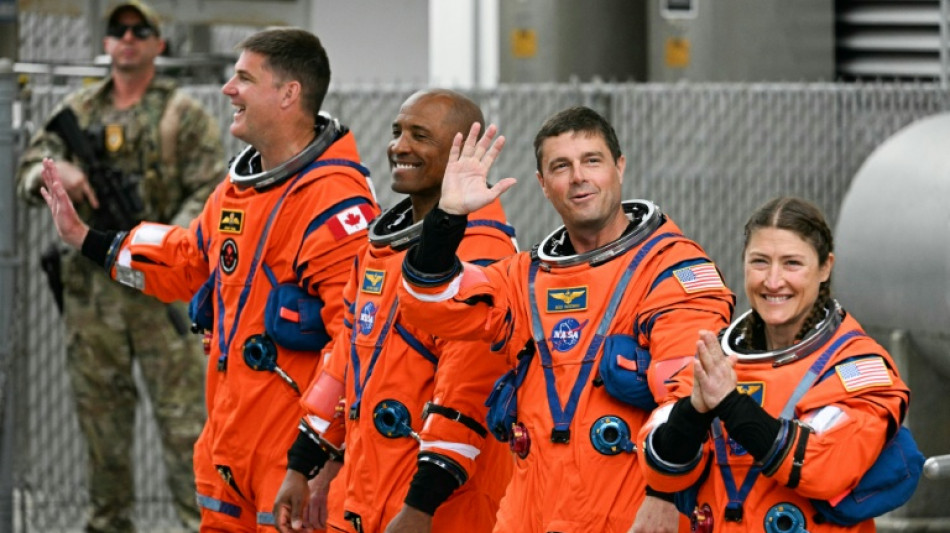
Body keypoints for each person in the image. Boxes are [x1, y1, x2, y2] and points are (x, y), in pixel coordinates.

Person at [37, 27, 380, 532]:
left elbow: (356, 344)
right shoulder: (238, 191)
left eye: (244, 77)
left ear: (289, 94)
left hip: (289, 462)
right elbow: (184, 262)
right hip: (229, 450)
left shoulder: (334, 204)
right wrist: (86, 238)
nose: (228, 89)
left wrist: (321, 462)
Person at [397, 106, 735, 532]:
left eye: (591, 161)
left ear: (619, 167)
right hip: (530, 516)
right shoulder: (525, 277)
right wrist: (448, 218)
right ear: (543, 185)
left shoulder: (671, 270)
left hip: (628, 516)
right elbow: (430, 303)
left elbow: (687, 395)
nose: (578, 177)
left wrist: (664, 494)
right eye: (561, 166)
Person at [15, 1, 223, 530]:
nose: (127, 39)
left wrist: (156, 245)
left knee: (186, 434)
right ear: (106, 43)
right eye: (117, 30)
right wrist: (54, 169)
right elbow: (26, 175)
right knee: (102, 436)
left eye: (140, 31)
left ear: (159, 43)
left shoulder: (184, 116)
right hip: (95, 301)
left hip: (161, 296)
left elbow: (210, 193)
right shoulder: (77, 113)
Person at [271, 89, 518, 533]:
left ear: (461, 151)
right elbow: (343, 361)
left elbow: (467, 395)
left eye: (419, 135)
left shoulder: (482, 253)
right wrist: (301, 465)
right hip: (364, 497)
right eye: (397, 132)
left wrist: (420, 508)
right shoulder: (380, 247)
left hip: (437, 511)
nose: (399, 147)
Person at [637, 196, 911, 532]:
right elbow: (658, 463)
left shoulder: (856, 367)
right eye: (760, 262)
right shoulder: (716, 359)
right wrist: (695, 409)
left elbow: (820, 465)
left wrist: (729, 402)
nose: (773, 281)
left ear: (825, 267)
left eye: (792, 263)